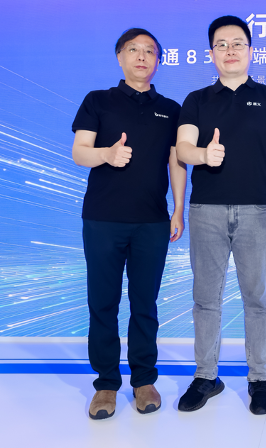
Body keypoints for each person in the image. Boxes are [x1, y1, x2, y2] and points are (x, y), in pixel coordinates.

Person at [175, 16, 266, 416]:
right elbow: (182, 149)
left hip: (257, 211)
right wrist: (203, 154)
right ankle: (206, 376)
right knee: (205, 299)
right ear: (211, 53)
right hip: (205, 210)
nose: (230, 50)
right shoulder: (196, 100)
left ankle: (259, 379)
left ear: (250, 51)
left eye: (237, 43)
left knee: (257, 299)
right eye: (221, 44)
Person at [71, 28, 186, 420]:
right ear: (120, 57)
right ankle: (105, 384)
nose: (141, 56)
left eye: (149, 51)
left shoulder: (170, 109)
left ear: (158, 61)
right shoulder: (98, 100)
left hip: (152, 221)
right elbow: (79, 152)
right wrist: (106, 154)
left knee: (145, 304)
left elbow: (176, 162)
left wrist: (178, 209)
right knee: (103, 303)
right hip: (102, 218)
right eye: (133, 49)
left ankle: (144, 380)